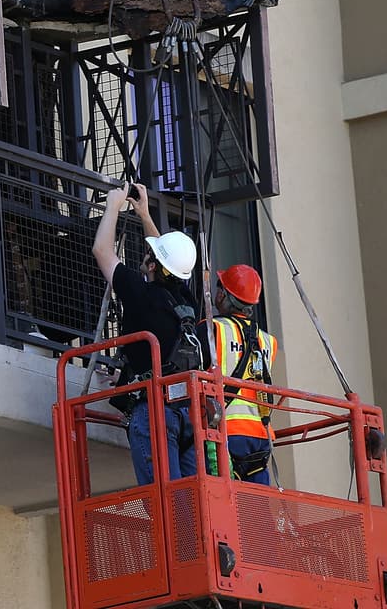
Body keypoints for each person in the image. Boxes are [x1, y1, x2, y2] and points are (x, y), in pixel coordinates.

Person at [92, 182, 204, 486]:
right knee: (189, 500)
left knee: (166, 499)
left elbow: (101, 251)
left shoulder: (140, 293)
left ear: (153, 264)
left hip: (155, 412)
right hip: (190, 414)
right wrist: (143, 213)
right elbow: (168, 259)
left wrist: (113, 206)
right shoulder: (187, 303)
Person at [209, 264, 280, 485]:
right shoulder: (269, 341)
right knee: (255, 512)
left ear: (227, 296)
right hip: (261, 436)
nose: (217, 292)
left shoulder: (214, 329)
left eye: (220, 287)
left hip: (229, 431)